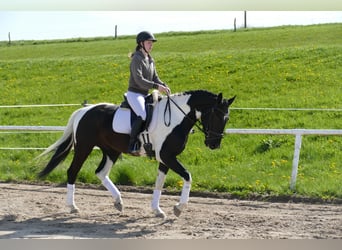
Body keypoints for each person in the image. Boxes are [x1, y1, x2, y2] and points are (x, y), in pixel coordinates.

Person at [126, 31, 170, 155]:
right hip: (135, 94)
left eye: (152, 43)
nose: (151, 45)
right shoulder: (136, 59)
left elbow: (155, 77)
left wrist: (163, 85)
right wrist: (156, 86)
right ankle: (132, 143)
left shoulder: (150, 59)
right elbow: (139, 80)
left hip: (145, 94)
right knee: (143, 115)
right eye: (149, 43)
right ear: (141, 44)